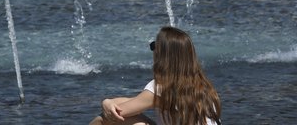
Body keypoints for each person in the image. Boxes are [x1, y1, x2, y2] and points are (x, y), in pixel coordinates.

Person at [89, 27, 221, 125]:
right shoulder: (204, 86)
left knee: (107, 119)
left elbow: (117, 113)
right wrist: (108, 102)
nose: (153, 50)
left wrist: (106, 103)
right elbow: (138, 101)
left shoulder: (160, 87)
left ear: (162, 55)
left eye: (154, 46)